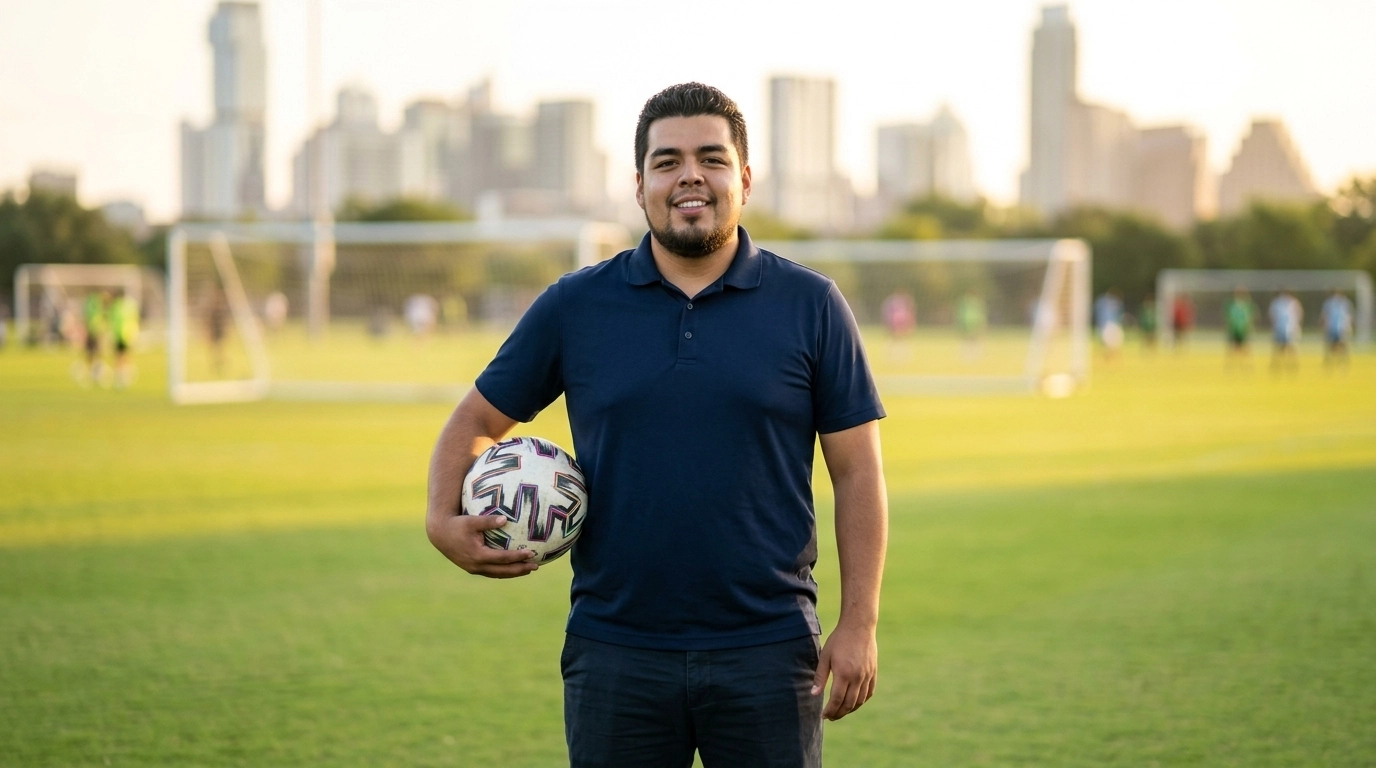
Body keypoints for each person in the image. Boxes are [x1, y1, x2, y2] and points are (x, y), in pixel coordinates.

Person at [426, 83, 888, 768]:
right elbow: (476, 417)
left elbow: (857, 471)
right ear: (639, 184)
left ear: (745, 178)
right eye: (668, 162)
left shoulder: (811, 305)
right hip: (616, 649)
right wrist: (441, 518)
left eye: (712, 158)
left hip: (767, 649)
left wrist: (859, 623)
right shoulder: (576, 305)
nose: (690, 176)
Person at [109, 289, 140, 389]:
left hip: (122, 335)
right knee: (123, 356)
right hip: (125, 335)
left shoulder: (118, 307)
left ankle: (122, 376)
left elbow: (114, 321)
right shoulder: (126, 306)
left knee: (121, 356)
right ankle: (122, 376)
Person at [1268, 288, 1303, 372]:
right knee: (1280, 347)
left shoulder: (1293, 302)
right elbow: (1272, 315)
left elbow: (1299, 314)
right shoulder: (1277, 302)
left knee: (1291, 347)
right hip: (1281, 328)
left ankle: (1291, 366)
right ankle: (1278, 366)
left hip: (1290, 328)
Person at [81, 290, 110, 385]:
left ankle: (93, 371)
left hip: (94, 330)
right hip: (95, 331)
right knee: (95, 353)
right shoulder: (95, 304)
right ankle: (93, 372)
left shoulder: (92, 304)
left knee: (93, 353)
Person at [1321, 289, 1355, 369]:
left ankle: (1343, 364)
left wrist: (1350, 325)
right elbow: (1324, 316)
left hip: (1342, 328)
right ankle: (1330, 364)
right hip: (1332, 328)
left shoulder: (1345, 303)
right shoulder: (1329, 303)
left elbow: (1349, 315)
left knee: (1343, 346)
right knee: (1331, 346)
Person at [1223, 287, 1256, 368]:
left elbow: (1251, 317)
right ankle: (1231, 365)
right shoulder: (1232, 305)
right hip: (1235, 329)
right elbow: (1229, 318)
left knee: (1245, 348)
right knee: (1234, 347)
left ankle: (1246, 365)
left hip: (1243, 329)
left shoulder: (1247, 305)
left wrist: (1249, 327)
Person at [956, 290, 987, 362]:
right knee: (968, 338)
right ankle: (968, 354)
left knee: (973, 338)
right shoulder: (966, 303)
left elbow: (980, 314)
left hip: (973, 322)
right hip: (968, 322)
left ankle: (973, 354)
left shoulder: (975, 303)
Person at [1094, 288, 1125, 361]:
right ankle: (1109, 357)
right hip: (1107, 325)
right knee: (1109, 343)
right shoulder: (1102, 301)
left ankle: (1111, 357)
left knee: (1112, 343)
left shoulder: (1104, 301)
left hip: (1110, 325)